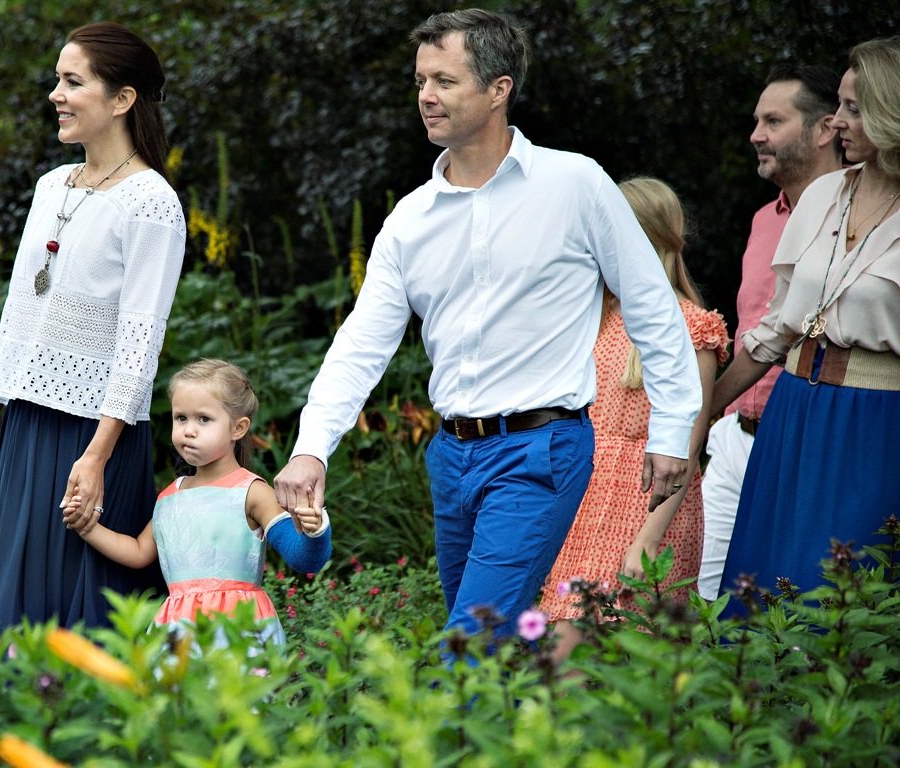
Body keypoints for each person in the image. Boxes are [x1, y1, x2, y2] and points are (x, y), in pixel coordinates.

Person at [274, 9, 703, 641]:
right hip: (450, 456)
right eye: (420, 81)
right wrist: (312, 447)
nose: (426, 96)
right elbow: (361, 344)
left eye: (444, 81)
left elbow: (651, 307)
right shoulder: (411, 218)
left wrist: (671, 431)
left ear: (499, 89)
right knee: (488, 648)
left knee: (469, 641)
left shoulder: (574, 184)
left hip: (541, 448)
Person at [0, 22, 186, 641]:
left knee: (82, 617)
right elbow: (19, 322)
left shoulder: (152, 203)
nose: (56, 94)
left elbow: (139, 345)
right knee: (11, 604)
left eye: (73, 82)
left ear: (122, 98)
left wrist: (96, 457)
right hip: (28, 426)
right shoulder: (52, 186)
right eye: (58, 79)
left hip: (97, 436)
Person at [710, 36, 900, 611]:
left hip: (875, 422)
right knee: (763, 587)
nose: (836, 121)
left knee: (839, 596)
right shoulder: (822, 196)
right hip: (793, 409)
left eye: (853, 108)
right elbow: (773, 330)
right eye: (838, 104)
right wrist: (700, 411)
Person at [540, 178, 729, 660]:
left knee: (638, 656)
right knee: (563, 651)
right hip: (583, 494)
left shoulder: (691, 326)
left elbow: (688, 447)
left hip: (648, 501)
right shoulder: (595, 315)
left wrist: (648, 540)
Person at [698, 65, 843, 601]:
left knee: (798, 600)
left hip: (809, 439)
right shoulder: (764, 219)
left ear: (825, 128)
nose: (756, 135)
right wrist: (709, 415)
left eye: (774, 121)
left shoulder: (861, 217)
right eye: (757, 121)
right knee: (706, 598)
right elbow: (755, 333)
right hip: (735, 435)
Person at [63, 360, 332, 648]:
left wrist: (314, 531)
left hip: (238, 630)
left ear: (238, 428)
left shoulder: (251, 492)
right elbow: (139, 552)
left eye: (203, 419)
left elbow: (303, 560)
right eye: (181, 418)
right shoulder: (170, 497)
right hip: (179, 632)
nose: (189, 430)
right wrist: (88, 527)